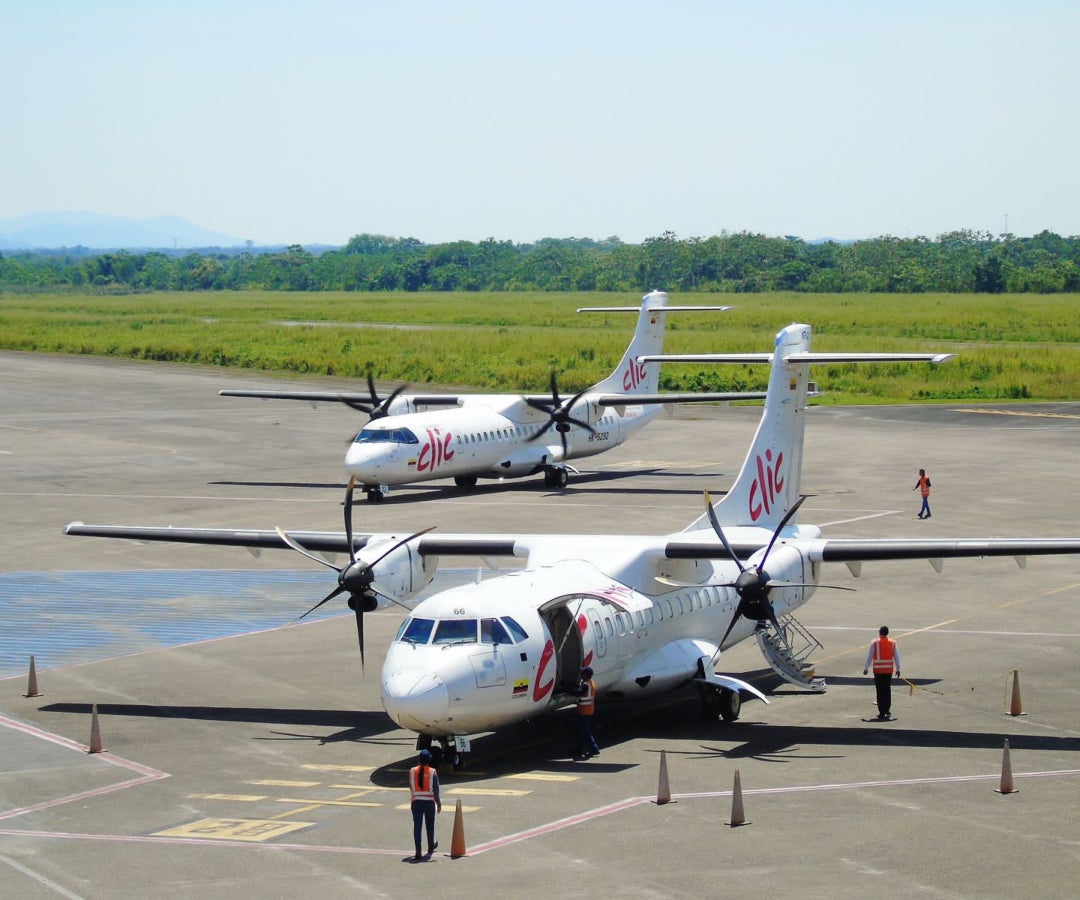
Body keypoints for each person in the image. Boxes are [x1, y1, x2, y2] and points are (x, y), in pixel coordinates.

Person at [408, 749, 441, 860]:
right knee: (429, 826)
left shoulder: (412, 771)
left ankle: (418, 850)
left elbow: (411, 787)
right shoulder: (432, 772)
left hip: (416, 802)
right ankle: (430, 846)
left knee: (417, 826)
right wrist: (439, 803)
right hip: (429, 803)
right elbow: (436, 790)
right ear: (429, 760)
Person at [863, 626, 901, 720]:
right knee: (887, 690)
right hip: (888, 671)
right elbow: (897, 656)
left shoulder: (874, 642)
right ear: (887, 633)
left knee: (879, 691)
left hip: (878, 671)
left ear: (880, 632)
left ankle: (881, 712)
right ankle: (887, 709)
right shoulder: (892, 643)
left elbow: (870, 656)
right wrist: (898, 669)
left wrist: (866, 668)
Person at [574, 666, 600, 759]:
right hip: (586, 710)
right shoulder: (589, 682)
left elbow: (579, 693)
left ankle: (594, 749)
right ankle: (578, 750)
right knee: (581, 731)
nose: (581, 675)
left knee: (585, 732)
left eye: (583, 673)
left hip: (585, 711)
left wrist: (568, 690)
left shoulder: (586, 684)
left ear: (587, 675)